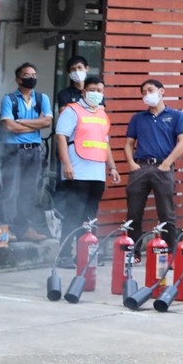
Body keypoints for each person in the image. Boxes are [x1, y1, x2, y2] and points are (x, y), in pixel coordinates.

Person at [54, 74, 120, 265]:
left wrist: (112, 167)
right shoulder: (72, 111)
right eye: (92, 90)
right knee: (73, 215)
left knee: (90, 217)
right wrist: (66, 164)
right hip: (77, 171)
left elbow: (105, 144)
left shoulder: (102, 115)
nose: (96, 93)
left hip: (97, 173)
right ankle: (65, 255)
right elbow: (61, 137)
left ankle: (85, 255)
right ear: (83, 91)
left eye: (100, 90)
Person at [124, 79, 183, 253]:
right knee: (133, 212)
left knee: (167, 213)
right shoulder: (138, 118)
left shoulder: (176, 115)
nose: (147, 94)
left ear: (162, 91)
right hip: (140, 167)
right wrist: (131, 164)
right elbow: (129, 143)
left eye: (150, 90)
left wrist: (167, 163)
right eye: (143, 92)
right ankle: (133, 253)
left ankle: (169, 253)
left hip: (163, 167)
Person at [0, 62, 52, 242]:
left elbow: (47, 122)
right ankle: (1, 235)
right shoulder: (9, 99)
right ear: (18, 79)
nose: (31, 78)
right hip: (13, 151)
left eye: (34, 75)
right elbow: (9, 126)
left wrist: (20, 122)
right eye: (27, 75)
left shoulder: (42, 99)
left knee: (28, 193)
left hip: (34, 151)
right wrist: (35, 124)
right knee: (9, 193)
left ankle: (24, 229)